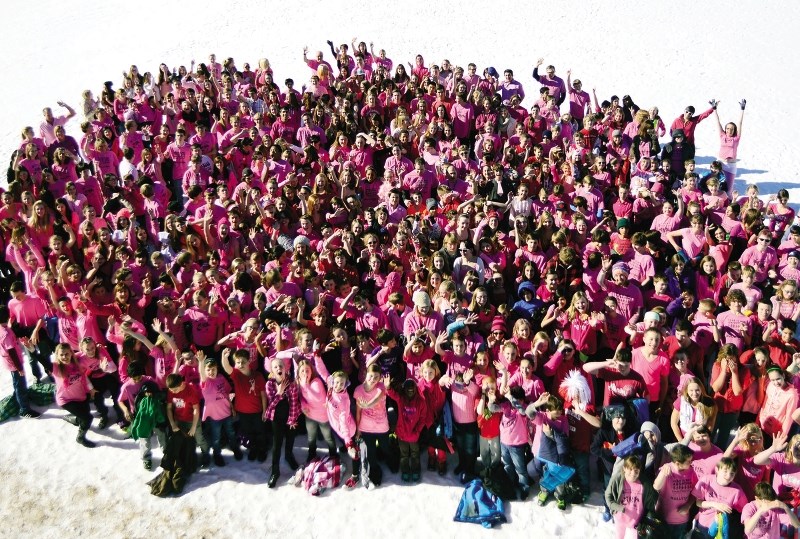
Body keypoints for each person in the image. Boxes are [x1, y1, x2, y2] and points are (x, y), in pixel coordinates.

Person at [51, 343, 96, 447]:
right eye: (61, 355)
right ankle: (80, 438)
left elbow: (88, 352)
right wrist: (33, 351)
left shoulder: (77, 361)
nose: (64, 357)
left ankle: (73, 419)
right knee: (88, 418)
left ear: (71, 353)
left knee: (84, 415)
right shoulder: (56, 367)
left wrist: (99, 349)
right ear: (57, 356)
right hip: (66, 400)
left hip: (81, 395)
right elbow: (44, 362)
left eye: (66, 354)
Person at [0, 305, 40, 419]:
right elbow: (11, 351)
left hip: (9, 362)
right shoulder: (6, 334)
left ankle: (19, 398)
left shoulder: (3, 329)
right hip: (14, 364)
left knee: (17, 383)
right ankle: (24, 409)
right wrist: (19, 368)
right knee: (20, 385)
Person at [386, 377, 428, 483]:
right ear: (404, 390)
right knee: (404, 454)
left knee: (415, 454)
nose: (410, 391)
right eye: (408, 389)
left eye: (412, 389)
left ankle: (415, 470)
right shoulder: (401, 399)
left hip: (414, 435)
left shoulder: (421, 402)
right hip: (402, 434)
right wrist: (387, 387)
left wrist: (417, 431)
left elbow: (423, 419)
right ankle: (405, 470)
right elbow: (392, 394)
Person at [605, 455, 657, 539]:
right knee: (619, 536)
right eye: (630, 469)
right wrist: (616, 507)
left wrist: (647, 517)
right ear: (624, 468)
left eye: (636, 471)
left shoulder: (645, 483)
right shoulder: (617, 479)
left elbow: (650, 502)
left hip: (636, 520)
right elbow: (608, 496)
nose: (633, 473)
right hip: (620, 517)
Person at [166, 372, 210, 468]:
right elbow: (169, 408)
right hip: (179, 419)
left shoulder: (191, 390)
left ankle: (206, 454)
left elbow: (196, 409)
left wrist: (194, 427)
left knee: (199, 439)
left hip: (192, 420)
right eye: (171, 390)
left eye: (175, 390)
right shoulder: (171, 390)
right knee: (182, 439)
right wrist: (173, 424)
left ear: (181, 384)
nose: (172, 392)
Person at [653, 444, 698, 539]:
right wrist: (663, 473)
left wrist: (688, 505)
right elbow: (656, 486)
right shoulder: (667, 469)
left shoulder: (691, 472)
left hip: (682, 520)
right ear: (677, 463)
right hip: (664, 518)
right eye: (688, 461)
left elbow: (695, 493)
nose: (691, 462)